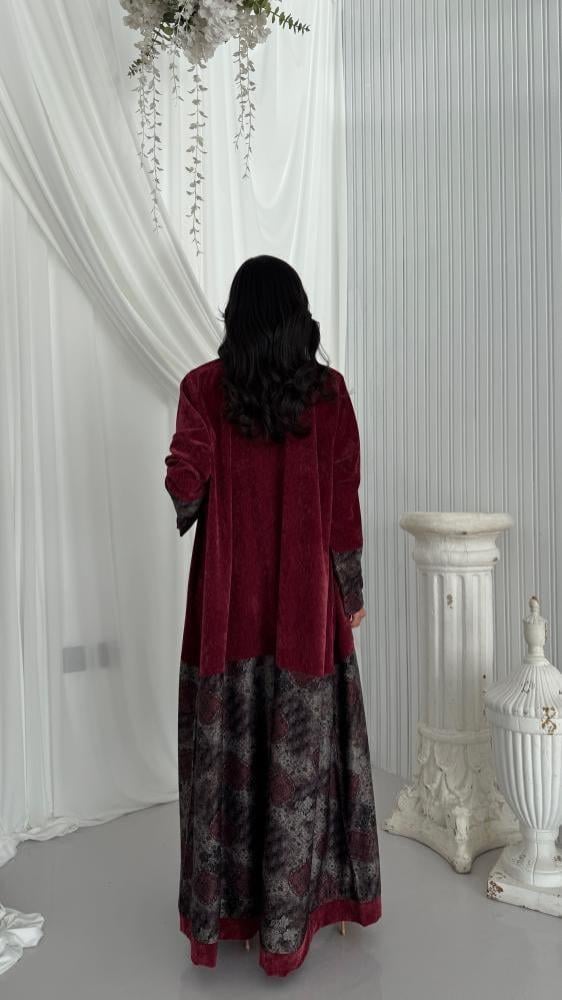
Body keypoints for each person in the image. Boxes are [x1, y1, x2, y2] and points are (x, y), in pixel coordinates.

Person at [164, 254, 381, 977]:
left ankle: (230, 912)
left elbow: (185, 489)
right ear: (296, 316)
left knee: (229, 757)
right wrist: (350, 592)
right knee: (305, 763)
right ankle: (296, 918)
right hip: (303, 615)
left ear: (237, 316)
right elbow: (343, 507)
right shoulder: (329, 394)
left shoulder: (203, 388)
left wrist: (189, 472)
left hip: (228, 616)